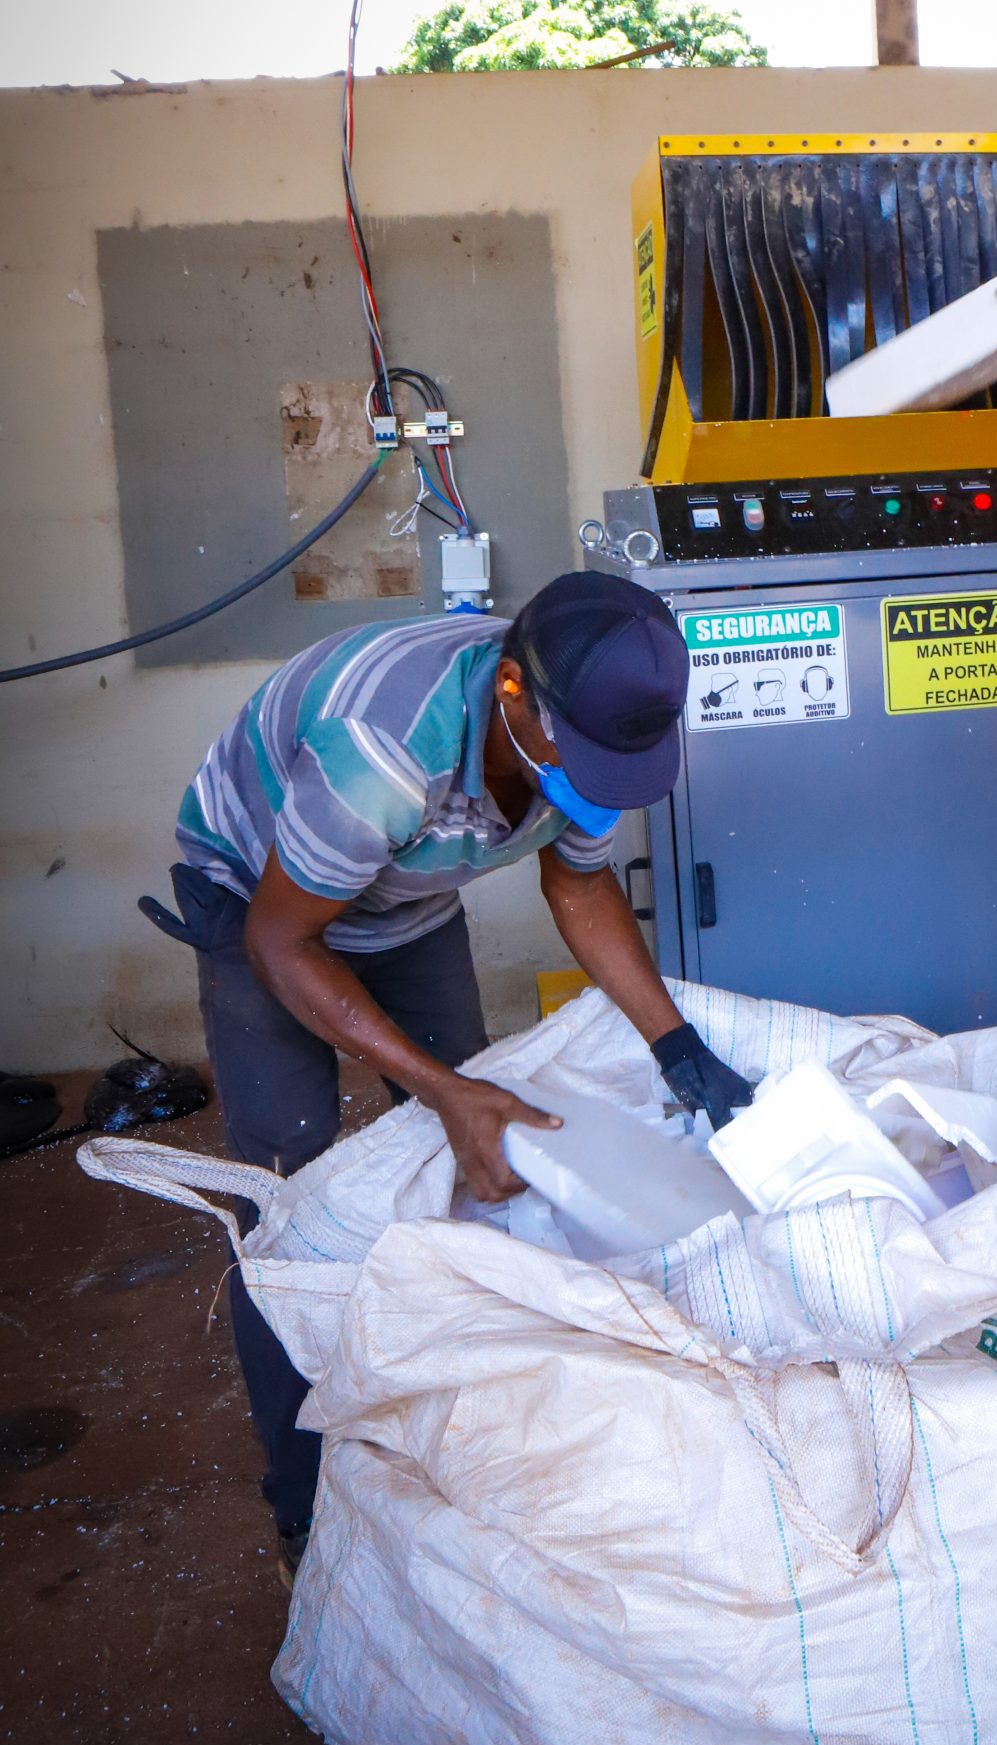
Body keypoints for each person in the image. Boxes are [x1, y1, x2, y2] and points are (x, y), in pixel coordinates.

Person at [142, 571, 752, 1575]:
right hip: (261, 895)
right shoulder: (383, 750)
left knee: (482, 1155)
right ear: (512, 692)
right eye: (587, 760)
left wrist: (678, 1049)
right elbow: (286, 943)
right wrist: (442, 1085)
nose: (599, 783)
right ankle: (304, 1505)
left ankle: (457, 1419)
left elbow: (581, 882)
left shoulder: (588, 738)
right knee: (290, 1183)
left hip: (404, 897)